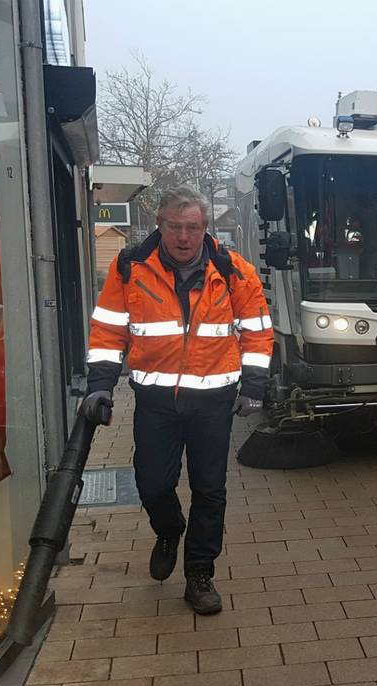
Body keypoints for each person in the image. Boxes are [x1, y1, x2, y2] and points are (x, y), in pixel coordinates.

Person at [80, 185, 273, 615]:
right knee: (152, 483)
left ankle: (200, 573)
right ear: (159, 224)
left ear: (206, 227)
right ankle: (169, 530)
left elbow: (258, 330)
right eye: (174, 227)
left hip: (214, 401)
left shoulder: (234, 270)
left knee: (210, 488)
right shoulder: (130, 267)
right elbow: (108, 331)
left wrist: (254, 387)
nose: (184, 237)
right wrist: (100, 385)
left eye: (193, 227)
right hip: (156, 401)